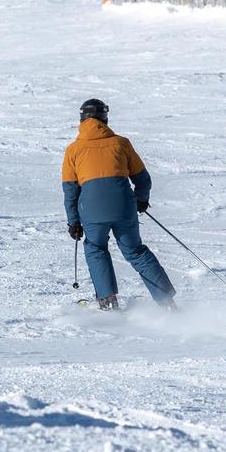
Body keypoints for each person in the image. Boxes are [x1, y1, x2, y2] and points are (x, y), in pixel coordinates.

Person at [62, 99, 176, 309]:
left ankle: (108, 301)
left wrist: (73, 222)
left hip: (92, 211)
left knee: (96, 248)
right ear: (105, 118)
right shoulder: (121, 143)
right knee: (135, 251)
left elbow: (70, 191)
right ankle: (166, 302)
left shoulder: (73, 150)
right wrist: (141, 200)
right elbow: (143, 179)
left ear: (82, 119)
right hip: (124, 206)